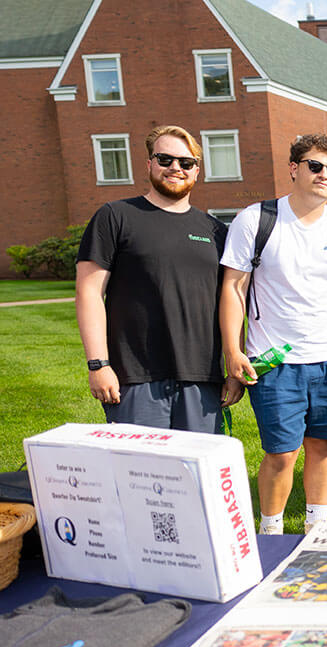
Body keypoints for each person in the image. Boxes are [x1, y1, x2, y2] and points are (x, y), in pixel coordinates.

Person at [219, 134, 327, 534]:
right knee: (281, 453)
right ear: (294, 168)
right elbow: (234, 289)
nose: (324, 175)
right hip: (275, 360)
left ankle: (315, 528)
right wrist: (232, 352)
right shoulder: (257, 220)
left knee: (322, 447)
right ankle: (270, 532)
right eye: (315, 166)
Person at [75, 125, 240, 432]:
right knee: (137, 474)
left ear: (196, 171)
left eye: (185, 162)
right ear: (149, 164)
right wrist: (98, 364)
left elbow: (231, 300)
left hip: (202, 378)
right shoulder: (115, 216)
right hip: (135, 377)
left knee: (195, 474)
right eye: (165, 159)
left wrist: (232, 366)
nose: (175, 167)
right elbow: (89, 293)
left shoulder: (216, 231)